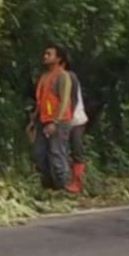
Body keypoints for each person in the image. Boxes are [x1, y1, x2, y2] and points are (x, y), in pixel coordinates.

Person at [31, 43, 76, 193]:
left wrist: (55, 122)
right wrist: (33, 120)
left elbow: (64, 101)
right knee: (39, 154)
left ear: (58, 58)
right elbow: (41, 100)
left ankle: (63, 187)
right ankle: (50, 187)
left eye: (49, 54)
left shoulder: (63, 76)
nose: (45, 56)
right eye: (45, 53)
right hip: (43, 121)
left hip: (59, 122)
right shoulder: (44, 77)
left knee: (57, 154)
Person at [61, 57, 88, 193]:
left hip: (75, 120)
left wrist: (67, 118)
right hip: (64, 120)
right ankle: (64, 181)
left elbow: (73, 99)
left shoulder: (70, 76)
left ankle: (77, 183)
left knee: (76, 151)